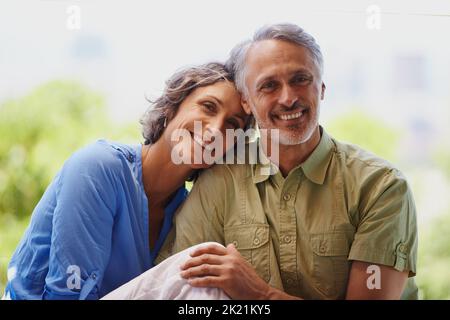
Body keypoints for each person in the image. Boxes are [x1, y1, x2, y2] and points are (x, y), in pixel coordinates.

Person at [163, 23, 419, 300]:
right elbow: (181, 294)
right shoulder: (219, 180)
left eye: (300, 79)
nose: (288, 98)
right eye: (269, 85)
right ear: (247, 102)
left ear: (321, 87)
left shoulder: (380, 187)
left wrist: (259, 294)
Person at [2, 62, 249, 300]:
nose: (217, 129)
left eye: (232, 124)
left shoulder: (186, 210)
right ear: (171, 107)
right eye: (208, 106)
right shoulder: (98, 167)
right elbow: (67, 293)